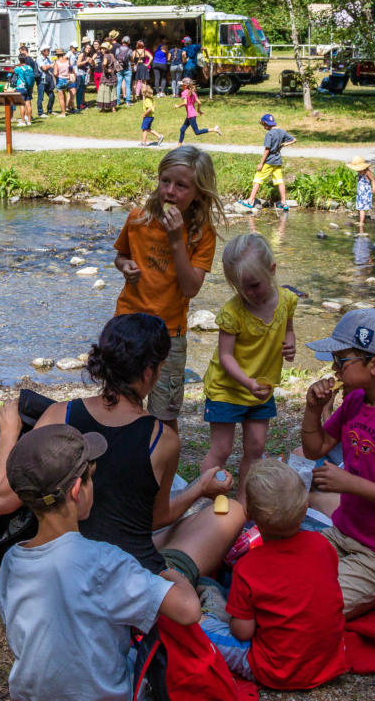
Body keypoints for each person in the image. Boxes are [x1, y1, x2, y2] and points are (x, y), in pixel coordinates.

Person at [0, 314, 245, 585]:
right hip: (129, 572)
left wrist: (9, 433)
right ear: (149, 372)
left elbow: (4, 499)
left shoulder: (58, 415)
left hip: (68, 561)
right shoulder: (163, 439)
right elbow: (156, 519)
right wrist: (199, 489)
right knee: (233, 512)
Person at [0, 422, 202, 701]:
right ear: (77, 490)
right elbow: (188, 611)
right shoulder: (104, 561)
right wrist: (171, 573)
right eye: (92, 478)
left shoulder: (11, 561)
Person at [303, 308, 375, 618]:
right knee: (286, 575)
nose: (334, 370)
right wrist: (313, 409)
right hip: (344, 533)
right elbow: (315, 449)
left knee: (313, 608)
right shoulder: (355, 401)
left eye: (341, 361)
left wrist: (352, 484)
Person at [200, 459, 346, 690]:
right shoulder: (322, 544)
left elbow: (243, 631)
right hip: (328, 661)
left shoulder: (248, 567)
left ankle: (209, 598)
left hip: (276, 669)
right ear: (306, 506)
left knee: (197, 627)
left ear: (249, 516)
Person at [114, 146, 224, 427]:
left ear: (199, 192)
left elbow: (190, 289)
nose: (170, 191)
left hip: (169, 335)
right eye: (166, 181)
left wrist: (177, 240)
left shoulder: (202, 234)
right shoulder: (139, 217)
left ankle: (162, 469)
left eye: (181, 185)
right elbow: (121, 255)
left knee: (164, 416)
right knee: (119, 405)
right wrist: (124, 266)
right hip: (127, 324)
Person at [200, 233, 297, 504]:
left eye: (254, 285)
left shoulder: (287, 301)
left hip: (261, 389)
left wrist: (290, 343)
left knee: (256, 448)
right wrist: (247, 382)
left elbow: (288, 330)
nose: (249, 294)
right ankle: (206, 498)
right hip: (228, 389)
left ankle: (243, 503)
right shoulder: (233, 313)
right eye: (241, 288)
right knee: (221, 450)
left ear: (272, 270)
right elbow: (226, 357)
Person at [239, 113, 296, 211]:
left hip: (269, 161)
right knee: (280, 181)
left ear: (265, 123)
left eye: (262, 124)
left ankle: (250, 200)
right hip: (278, 161)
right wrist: (283, 145)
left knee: (257, 179)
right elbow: (294, 140)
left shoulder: (269, 134)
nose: (263, 126)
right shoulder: (282, 131)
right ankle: (284, 202)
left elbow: (267, 150)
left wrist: (261, 163)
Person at [175, 77, 221, 143]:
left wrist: (178, 106)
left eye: (181, 84)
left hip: (191, 115)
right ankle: (179, 147)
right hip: (191, 114)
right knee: (182, 130)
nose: (181, 86)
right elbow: (199, 102)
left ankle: (214, 129)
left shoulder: (184, 92)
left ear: (185, 85)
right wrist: (198, 110)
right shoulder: (193, 93)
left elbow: (185, 103)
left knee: (197, 132)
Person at [346, 155, 375, 235]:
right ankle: (359, 220)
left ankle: (361, 222)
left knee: (362, 208)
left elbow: (373, 180)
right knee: (358, 207)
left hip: (365, 193)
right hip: (360, 193)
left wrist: (373, 189)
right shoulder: (359, 172)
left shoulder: (367, 172)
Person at [13, 52, 35, 126]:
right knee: (28, 104)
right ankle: (29, 121)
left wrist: (16, 65)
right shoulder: (30, 68)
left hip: (21, 88)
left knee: (22, 105)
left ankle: (22, 121)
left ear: (19, 60)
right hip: (29, 87)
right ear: (26, 59)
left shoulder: (18, 69)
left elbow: (12, 70)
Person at [95, 40, 117, 112]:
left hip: (106, 76)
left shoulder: (106, 56)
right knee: (112, 91)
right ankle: (113, 108)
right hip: (112, 76)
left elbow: (104, 64)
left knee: (104, 91)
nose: (101, 50)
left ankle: (103, 108)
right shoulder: (111, 55)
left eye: (102, 49)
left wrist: (106, 69)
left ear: (105, 49)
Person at [52, 48, 72, 118]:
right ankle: (65, 109)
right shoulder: (67, 61)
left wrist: (55, 74)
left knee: (61, 98)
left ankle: (63, 113)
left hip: (60, 79)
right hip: (67, 79)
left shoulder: (56, 63)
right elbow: (71, 69)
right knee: (64, 94)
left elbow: (55, 73)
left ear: (57, 55)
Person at [114, 35, 133, 107]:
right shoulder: (129, 50)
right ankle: (127, 102)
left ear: (122, 41)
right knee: (128, 85)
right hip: (127, 69)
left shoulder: (117, 49)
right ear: (128, 42)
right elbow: (131, 59)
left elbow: (116, 57)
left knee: (118, 85)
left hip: (119, 68)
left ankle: (117, 102)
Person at [37, 46, 55, 118]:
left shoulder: (47, 59)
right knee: (40, 97)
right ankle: (40, 113)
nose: (49, 51)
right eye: (47, 50)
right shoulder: (39, 59)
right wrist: (51, 65)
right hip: (41, 80)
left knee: (52, 96)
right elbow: (44, 68)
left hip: (48, 80)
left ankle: (49, 110)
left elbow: (49, 68)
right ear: (43, 51)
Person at [76, 38, 92, 110]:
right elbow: (78, 64)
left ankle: (82, 103)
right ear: (84, 47)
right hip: (80, 74)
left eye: (90, 48)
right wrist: (86, 61)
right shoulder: (82, 54)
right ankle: (79, 105)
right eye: (87, 48)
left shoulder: (87, 55)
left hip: (85, 73)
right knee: (79, 90)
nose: (88, 49)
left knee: (83, 89)